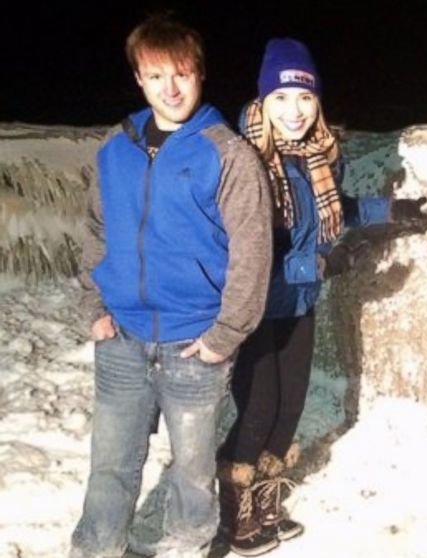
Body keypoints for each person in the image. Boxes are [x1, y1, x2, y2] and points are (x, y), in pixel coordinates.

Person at [215, 37, 427, 555]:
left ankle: (265, 503)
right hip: (254, 307)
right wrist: (320, 261)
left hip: (300, 300)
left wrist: (394, 211)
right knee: (257, 409)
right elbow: (249, 248)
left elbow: (338, 210)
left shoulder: (318, 158)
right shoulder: (246, 161)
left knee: (289, 407)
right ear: (263, 102)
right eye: (283, 98)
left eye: (306, 98)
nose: (295, 111)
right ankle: (232, 511)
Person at [71, 14, 273, 558]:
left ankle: (186, 546)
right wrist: (94, 306)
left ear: (200, 74)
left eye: (182, 73)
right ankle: (95, 550)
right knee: (109, 466)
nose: (171, 87)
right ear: (139, 78)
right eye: (156, 75)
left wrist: (223, 335)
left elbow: (253, 253)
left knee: (192, 472)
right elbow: (96, 229)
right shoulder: (116, 147)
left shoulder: (227, 154)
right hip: (122, 339)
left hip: (193, 345)